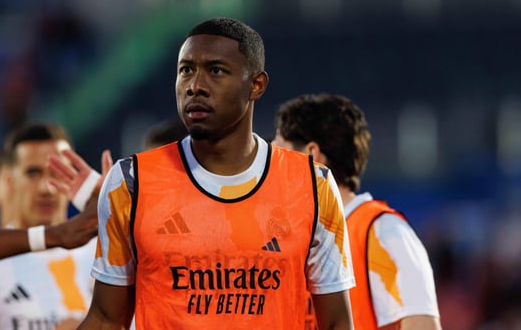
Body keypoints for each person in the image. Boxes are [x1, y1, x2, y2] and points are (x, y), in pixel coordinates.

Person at [78, 17, 355, 329]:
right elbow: (106, 319)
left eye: (216, 71)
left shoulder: (312, 185)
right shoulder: (131, 182)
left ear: (256, 85)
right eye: (186, 70)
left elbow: (337, 323)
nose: (195, 86)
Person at [272, 93, 441, 330]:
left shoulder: (384, 233)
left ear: (311, 155)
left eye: (279, 152)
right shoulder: (293, 241)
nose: (272, 167)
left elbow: (422, 325)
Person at [0, 122, 106, 329]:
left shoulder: (105, 254)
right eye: (33, 173)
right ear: (9, 181)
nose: (46, 189)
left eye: (57, 172)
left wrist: (118, 217)